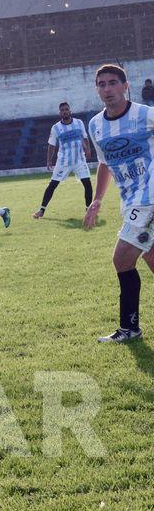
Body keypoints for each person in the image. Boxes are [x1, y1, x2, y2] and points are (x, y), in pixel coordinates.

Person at [84, 64, 154, 343]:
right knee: (151, 258)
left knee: (122, 257)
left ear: (126, 86)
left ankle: (129, 328)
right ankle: (131, 329)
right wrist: (97, 200)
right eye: (101, 84)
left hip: (150, 198)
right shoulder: (95, 125)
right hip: (130, 201)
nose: (107, 89)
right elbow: (104, 163)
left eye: (113, 83)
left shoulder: (146, 115)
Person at [32, 102, 93, 219]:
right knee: (52, 185)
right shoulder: (55, 128)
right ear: (60, 113)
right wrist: (49, 160)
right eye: (62, 110)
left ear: (70, 111)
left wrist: (88, 149)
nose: (65, 111)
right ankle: (41, 210)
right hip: (63, 161)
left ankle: (89, 210)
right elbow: (51, 145)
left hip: (79, 160)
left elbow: (84, 137)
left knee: (87, 183)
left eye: (66, 109)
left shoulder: (79, 123)